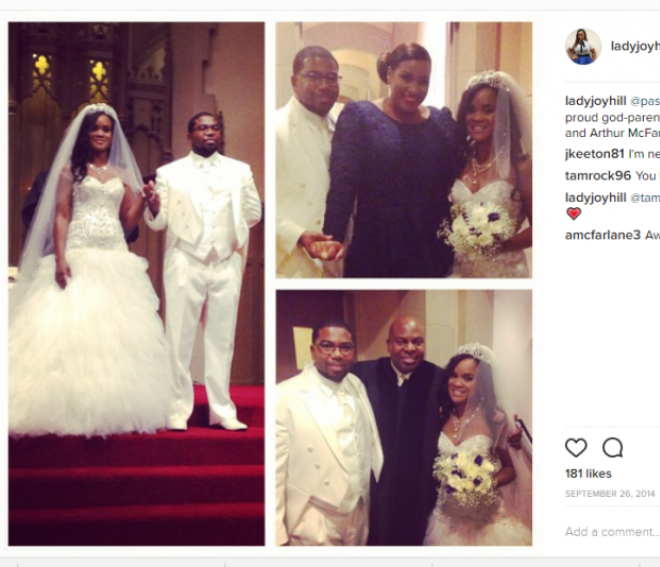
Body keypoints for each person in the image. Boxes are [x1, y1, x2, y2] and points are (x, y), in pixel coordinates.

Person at [8, 103, 172, 437]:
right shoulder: (71, 169)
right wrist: (60, 257)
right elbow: (62, 214)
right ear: (85, 133)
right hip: (79, 253)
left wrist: (143, 199)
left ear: (114, 135)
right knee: (71, 330)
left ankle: (111, 407)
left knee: (115, 336)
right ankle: (65, 406)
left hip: (114, 254)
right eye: (95, 128)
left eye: (107, 129)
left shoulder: (122, 173)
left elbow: (127, 223)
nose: (101, 133)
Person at [143, 111, 262, 431]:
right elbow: (161, 220)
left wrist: (230, 238)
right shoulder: (170, 173)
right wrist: (153, 205)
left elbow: (253, 211)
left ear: (220, 133)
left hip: (225, 260)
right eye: (202, 128)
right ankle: (177, 408)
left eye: (214, 128)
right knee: (179, 337)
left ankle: (222, 410)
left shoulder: (240, 170)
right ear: (190, 134)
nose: (209, 133)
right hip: (185, 258)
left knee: (222, 340)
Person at [320, 43, 458, 278]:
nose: (414, 88)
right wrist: (332, 238)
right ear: (389, 74)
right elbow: (343, 186)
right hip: (376, 243)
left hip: (431, 243)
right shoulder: (360, 116)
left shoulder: (441, 122)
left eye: (423, 81)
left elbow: (458, 176)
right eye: (406, 77)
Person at [275, 320, 383, 546]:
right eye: (327, 346)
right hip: (314, 515)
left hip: (359, 512)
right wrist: (276, 534)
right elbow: (275, 471)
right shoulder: (284, 395)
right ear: (313, 350)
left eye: (345, 347)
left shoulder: (356, 384)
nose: (337, 354)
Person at [424, 344, 532, 546]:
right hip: (446, 521)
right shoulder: (440, 416)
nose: (457, 383)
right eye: (453, 376)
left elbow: (510, 469)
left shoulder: (496, 419)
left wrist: (484, 483)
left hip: (485, 525)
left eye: (468, 378)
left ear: (481, 384)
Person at [351, 315, 444, 545]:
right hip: (375, 481)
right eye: (401, 341)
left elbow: (468, 407)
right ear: (389, 344)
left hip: (420, 484)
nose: (410, 348)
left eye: (417, 341)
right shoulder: (364, 375)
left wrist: (500, 422)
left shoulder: (438, 379)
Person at [448, 70, 533, 278]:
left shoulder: (521, 166)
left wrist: (501, 244)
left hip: (504, 272)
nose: (477, 118)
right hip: (462, 271)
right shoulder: (458, 160)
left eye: (487, 110)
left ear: (504, 115)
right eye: (471, 110)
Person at [276, 46, 345, 278]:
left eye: (331, 77)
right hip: (291, 262)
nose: (324, 85)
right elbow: (257, 204)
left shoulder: (344, 130)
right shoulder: (276, 128)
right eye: (313, 77)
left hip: (336, 259)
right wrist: (297, 234)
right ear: (294, 81)